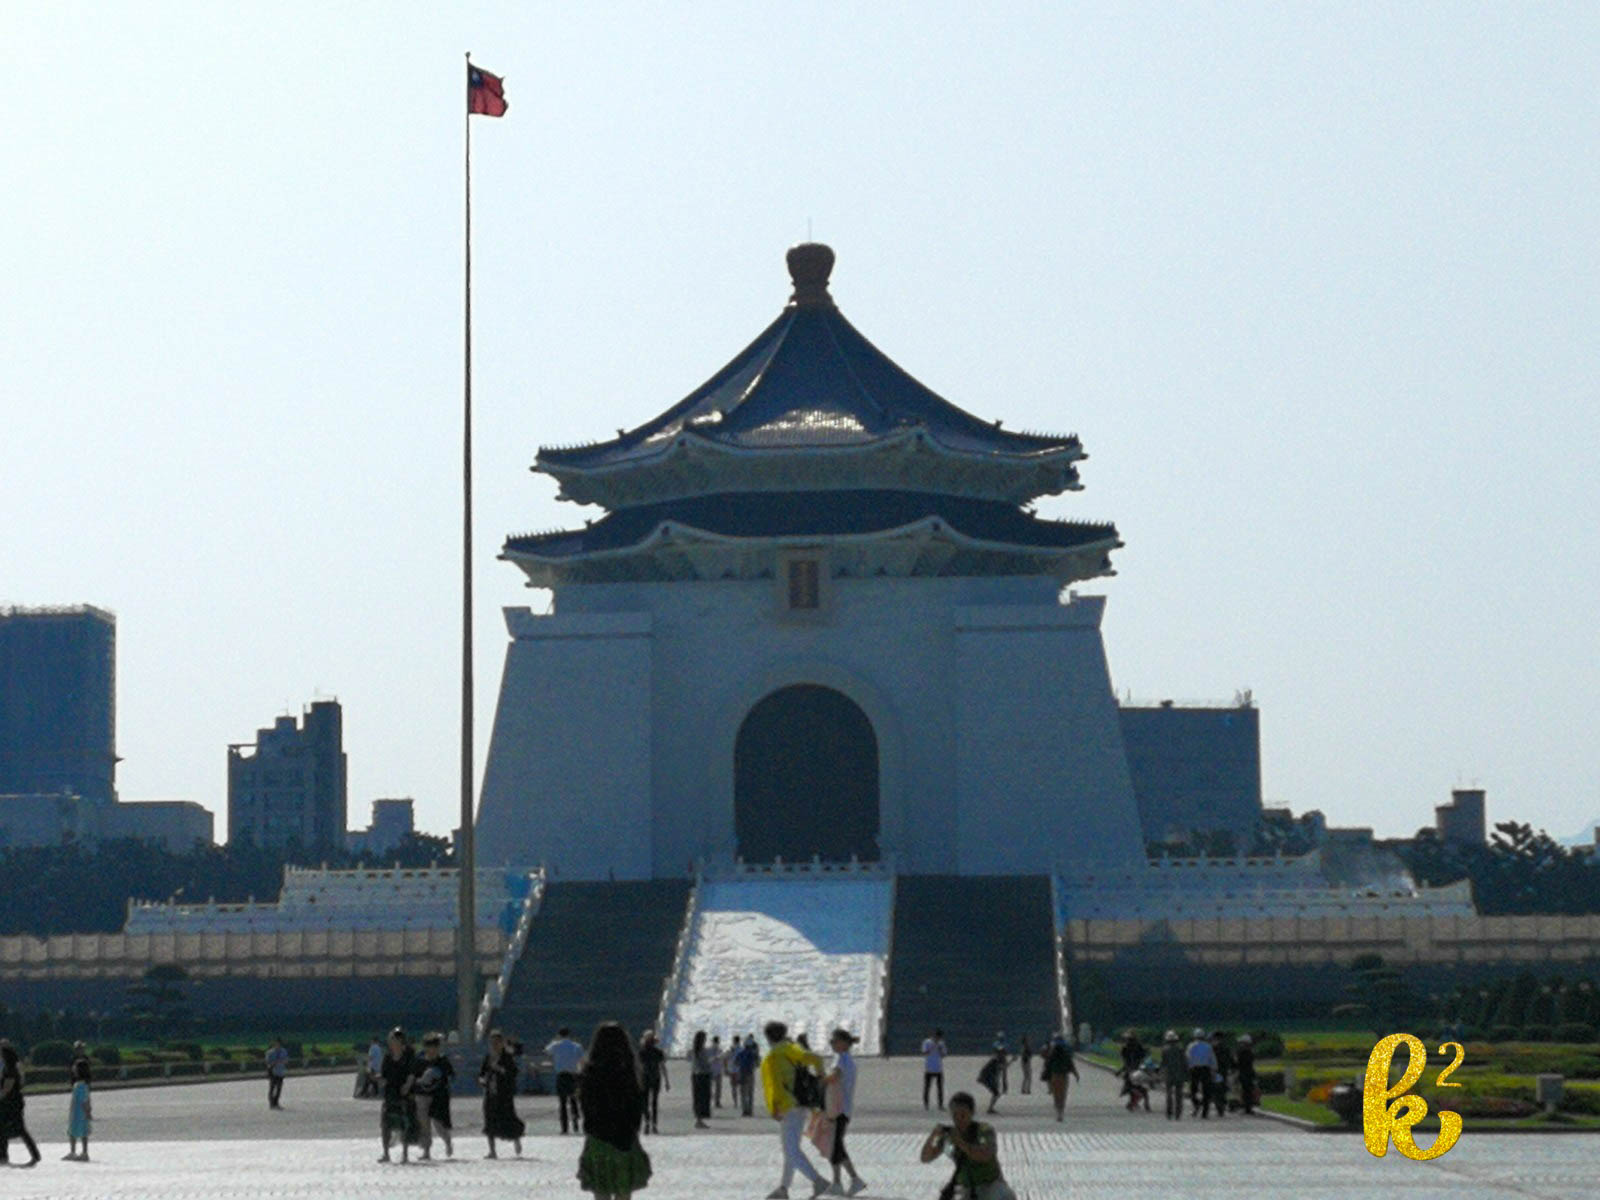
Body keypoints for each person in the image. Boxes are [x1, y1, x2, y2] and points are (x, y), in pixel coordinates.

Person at [577, 1022, 652, 1200]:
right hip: (624, 1137)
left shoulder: (590, 1071)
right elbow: (637, 1105)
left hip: (598, 1137)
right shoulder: (629, 1071)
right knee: (623, 1190)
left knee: (601, 1191)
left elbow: (586, 1106)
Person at [759, 1020, 829, 1199]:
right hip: (794, 1105)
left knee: (791, 1151)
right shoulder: (787, 1049)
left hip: (789, 1106)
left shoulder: (782, 1051)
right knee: (791, 1149)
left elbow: (773, 1085)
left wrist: (822, 1079)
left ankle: (818, 1181)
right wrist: (820, 1077)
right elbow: (814, 1060)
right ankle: (783, 1189)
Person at [919, 1091, 1015, 1200]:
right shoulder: (950, 1136)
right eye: (955, 1115)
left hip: (990, 1184)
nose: (959, 1119)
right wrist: (933, 1137)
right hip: (966, 1187)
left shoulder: (983, 1131)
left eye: (963, 1115)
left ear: (972, 1113)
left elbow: (985, 1155)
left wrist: (961, 1143)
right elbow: (925, 1158)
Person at [818, 1028, 867, 1197]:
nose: (832, 1043)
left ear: (844, 1043)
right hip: (842, 1108)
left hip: (837, 1109)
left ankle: (853, 1179)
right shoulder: (847, 1060)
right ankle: (838, 1181)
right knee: (836, 1146)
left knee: (836, 1147)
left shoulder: (841, 1059)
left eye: (835, 1040)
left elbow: (834, 1077)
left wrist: (817, 1080)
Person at [479, 1028, 525, 1158]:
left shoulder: (507, 1057)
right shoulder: (488, 1057)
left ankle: (516, 1139)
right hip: (490, 1092)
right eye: (492, 1042)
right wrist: (482, 1079)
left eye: (497, 1042)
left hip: (504, 1094)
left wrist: (500, 1069)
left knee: (509, 1117)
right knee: (489, 1120)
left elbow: (513, 1072)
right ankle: (492, 1151)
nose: (494, 1045)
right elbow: (482, 1073)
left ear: (501, 1042)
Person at [410, 1032, 454, 1159]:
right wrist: (419, 1082)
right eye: (429, 1046)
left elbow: (451, 1076)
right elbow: (414, 1077)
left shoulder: (443, 1061)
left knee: (438, 1124)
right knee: (424, 1124)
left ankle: (447, 1141)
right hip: (422, 1095)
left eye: (435, 1046)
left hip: (438, 1097)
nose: (432, 1050)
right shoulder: (419, 1061)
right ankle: (426, 1151)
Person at [378, 1027, 419, 1163]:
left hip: (403, 1094)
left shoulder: (408, 1056)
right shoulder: (387, 1057)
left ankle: (405, 1153)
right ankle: (386, 1153)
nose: (392, 1043)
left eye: (395, 1040)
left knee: (404, 1124)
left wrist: (407, 1085)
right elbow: (383, 1075)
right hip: (390, 1094)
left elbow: (412, 1073)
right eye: (391, 1040)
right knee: (385, 1124)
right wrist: (379, 1080)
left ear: (401, 1042)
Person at [0, 1041, 40, 1167]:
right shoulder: (12, 1068)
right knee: (2, 1130)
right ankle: (3, 1155)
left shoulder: (10, 1070)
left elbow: (6, 1089)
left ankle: (35, 1155)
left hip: (11, 1104)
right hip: (11, 1102)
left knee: (20, 1130)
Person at [548, 1027, 586, 1135]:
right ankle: (575, 1122)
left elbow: (547, 1050)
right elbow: (582, 1061)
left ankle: (564, 1128)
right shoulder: (576, 1046)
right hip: (572, 1075)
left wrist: (555, 1040)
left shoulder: (555, 1045)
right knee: (574, 1100)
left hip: (561, 1076)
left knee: (563, 1103)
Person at [1040, 1034, 1079, 1122]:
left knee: (1056, 1095)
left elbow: (1047, 1065)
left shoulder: (1052, 1053)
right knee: (1062, 1095)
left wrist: (1046, 1075)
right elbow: (1071, 1064)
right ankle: (1061, 1112)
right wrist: (1076, 1074)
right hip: (1064, 1076)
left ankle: (1058, 1112)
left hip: (1055, 1076)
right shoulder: (1066, 1053)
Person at [637, 1030, 669, 1134]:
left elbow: (638, 1068)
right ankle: (654, 1124)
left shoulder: (641, 1052)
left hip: (645, 1078)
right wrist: (667, 1081)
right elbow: (662, 1067)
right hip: (655, 1078)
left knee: (644, 1102)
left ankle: (647, 1121)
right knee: (654, 1102)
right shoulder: (658, 1052)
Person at [66, 1042, 92, 1161]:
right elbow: (86, 1099)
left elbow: (84, 1101)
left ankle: (74, 1151)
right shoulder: (83, 1085)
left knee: (73, 1132)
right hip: (80, 1112)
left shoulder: (79, 1085)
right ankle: (84, 1152)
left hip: (78, 1112)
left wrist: (87, 1111)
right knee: (83, 1132)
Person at [1185, 1028, 1217, 1118]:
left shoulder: (1191, 1046)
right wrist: (1214, 1070)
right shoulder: (1208, 1046)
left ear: (1194, 1036)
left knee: (1193, 1090)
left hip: (1194, 1069)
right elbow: (1212, 1059)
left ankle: (1196, 1104)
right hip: (1205, 1069)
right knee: (1206, 1091)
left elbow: (1188, 1058)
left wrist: (1187, 1069)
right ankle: (1205, 1112)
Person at [689, 1030, 714, 1129]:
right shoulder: (701, 1050)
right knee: (702, 1098)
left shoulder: (695, 1049)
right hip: (702, 1075)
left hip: (696, 1075)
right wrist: (713, 1061)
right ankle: (699, 1120)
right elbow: (704, 1064)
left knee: (698, 1098)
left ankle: (699, 1119)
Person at [1159, 1030, 1186, 1121]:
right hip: (1179, 1074)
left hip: (1169, 1075)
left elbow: (1163, 1063)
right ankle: (1178, 1113)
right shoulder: (1180, 1049)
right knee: (1179, 1095)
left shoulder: (1165, 1050)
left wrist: (1161, 1074)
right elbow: (1184, 1062)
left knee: (1169, 1094)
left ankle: (1169, 1112)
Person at [920, 1028, 948, 1110]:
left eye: (939, 1037)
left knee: (940, 1088)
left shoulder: (941, 1044)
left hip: (938, 1069)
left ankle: (940, 1105)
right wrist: (932, 1048)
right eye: (937, 1037)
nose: (938, 1039)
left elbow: (944, 1055)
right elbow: (924, 1053)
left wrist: (940, 1049)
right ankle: (926, 1104)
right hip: (929, 1068)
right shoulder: (927, 1042)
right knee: (927, 1087)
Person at [1209, 1031, 1234, 1119]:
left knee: (1216, 1090)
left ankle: (1219, 1107)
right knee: (1222, 1089)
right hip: (1223, 1071)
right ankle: (1221, 1106)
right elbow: (1231, 1060)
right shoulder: (1226, 1048)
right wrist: (1232, 1067)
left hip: (1215, 1072)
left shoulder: (1212, 1048)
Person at [977, 1044, 1007, 1114]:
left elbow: (1001, 1069)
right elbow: (1000, 1068)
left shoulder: (996, 1059)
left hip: (986, 1078)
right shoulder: (995, 1060)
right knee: (996, 1093)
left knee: (996, 1093)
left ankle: (990, 1108)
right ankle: (990, 1109)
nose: (1004, 1055)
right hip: (986, 1078)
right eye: (1002, 1053)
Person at [735, 1032, 761, 1116]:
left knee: (743, 1093)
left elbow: (736, 1063)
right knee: (750, 1093)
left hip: (742, 1074)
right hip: (750, 1073)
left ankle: (744, 1110)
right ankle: (750, 1110)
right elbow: (758, 1064)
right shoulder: (753, 1054)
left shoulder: (741, 1053)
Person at [265, 1037, 290, 1109]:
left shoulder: (284, 1051)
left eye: (279, 1044)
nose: (277, 1045)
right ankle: (271, 1103)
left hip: (280, 1072)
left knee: (279, 1088)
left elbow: (286, 1060)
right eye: (276, 1044)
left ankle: (276, 1102)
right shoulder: (270, 1052)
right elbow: (267, 1062)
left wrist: (283, 1062)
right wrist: (274, 1063)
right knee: (272, 1088)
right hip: (273, 1072)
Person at [1236, 1034, 1257, 1115]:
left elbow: (1238, 1063)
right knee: (1248, 1090)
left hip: (1243, 1073)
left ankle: (1247, 1107)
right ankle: (1248, 1107)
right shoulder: (1250, 1052)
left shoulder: (1241, 1052)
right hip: (1249, 1072)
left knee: (1246, 1090)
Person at [363, 1034, 384, 1099]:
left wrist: (365, 1062)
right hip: (378, 1066)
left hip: (372, 1066)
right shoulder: (379, 1048)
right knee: (371, 1079)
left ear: (373, 1041)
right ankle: (370, 1092)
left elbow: (370, 1057)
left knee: (370, 1079)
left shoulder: (372, 1047)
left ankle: (365, 1092)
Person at [711, 1035, 725, 1108]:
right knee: (717, 1087)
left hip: (714, 1070)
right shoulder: (718, 1050)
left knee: (716, 1087)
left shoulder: (718, 1050)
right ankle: (716, 1101)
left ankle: (716, 1100)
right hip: (716, 1070)